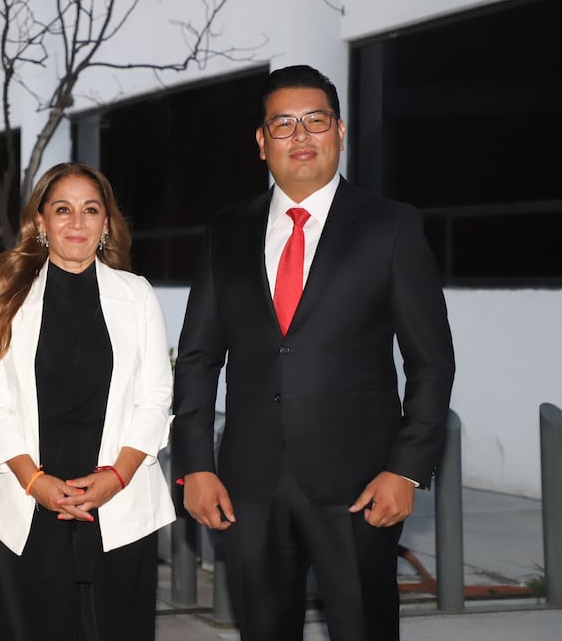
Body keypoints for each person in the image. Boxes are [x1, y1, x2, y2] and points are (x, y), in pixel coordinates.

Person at [171, 65, 455, 641]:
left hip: (361, 484)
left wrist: (407, 470)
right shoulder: (226, 232)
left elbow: (431, 361)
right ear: (261, 141)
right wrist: (195, 465)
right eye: (283, 123)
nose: (301, 136)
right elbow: (198, 357)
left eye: (315, 120)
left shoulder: (391, 227)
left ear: (341, 132)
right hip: (250, 483)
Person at [0, 162, 176, 640]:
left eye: (91, 210)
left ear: (107, 224)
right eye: (62, 210)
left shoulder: (137, 295)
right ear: (40, 222)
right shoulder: (8, 303)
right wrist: (35, 482)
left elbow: (155, 398)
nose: (77, 223)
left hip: (118, 494)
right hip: (31, 496)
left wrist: (117, 476)